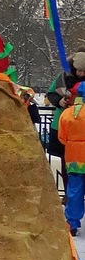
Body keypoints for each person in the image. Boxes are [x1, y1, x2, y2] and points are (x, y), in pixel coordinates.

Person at [58, 83, 85, 236]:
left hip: (73, 156)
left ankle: (72, 223)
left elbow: (62, 137)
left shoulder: (67, 114)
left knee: (74, 189)